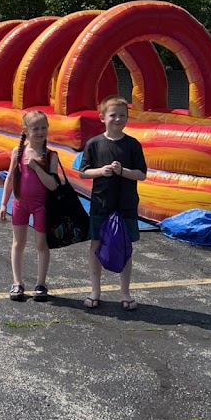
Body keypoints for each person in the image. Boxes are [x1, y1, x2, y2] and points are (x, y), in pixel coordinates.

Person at [79, 95, 147, 311]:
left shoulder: (132, 145)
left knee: (125, 247)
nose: (118, 119)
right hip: (101, 204)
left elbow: (142, 174)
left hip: (126, 205)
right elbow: (83, 172)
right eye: (113, 115)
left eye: (122, 115)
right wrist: (101, 171)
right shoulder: (94, 144)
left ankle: (125, 292)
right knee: (96, 244)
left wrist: (122, 171)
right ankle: (95, 290)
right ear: (102, 117)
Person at [0, 110, 60, 301]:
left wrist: (36, 167)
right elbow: (10, 178)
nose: (40, 132)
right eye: (35, 128)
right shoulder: (18, 152)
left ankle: (41, 284)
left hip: (41, 206)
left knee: (41, 244)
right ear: (26, 131)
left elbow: (53, 185)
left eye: (43, 128)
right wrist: (3, 203)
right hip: (20, 204)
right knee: (18, 243)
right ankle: (17, 282)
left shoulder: (51, 156)